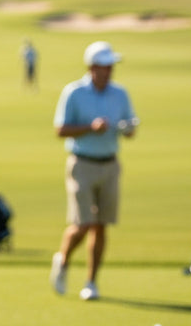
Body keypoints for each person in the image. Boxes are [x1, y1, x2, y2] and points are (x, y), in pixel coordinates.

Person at [50, 40, 137, 301]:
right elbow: (61, 129)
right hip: (82, 163)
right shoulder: (74, 92)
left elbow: (131, 127)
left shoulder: (120, 93)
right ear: (91, 67)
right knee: (83, 223)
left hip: (110, 163)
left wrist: (127, 129)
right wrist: (91, 127)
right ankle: (63, 260)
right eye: (103, 66)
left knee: (101, 225)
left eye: (111, 66)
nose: (108, 71)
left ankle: (91, 282)